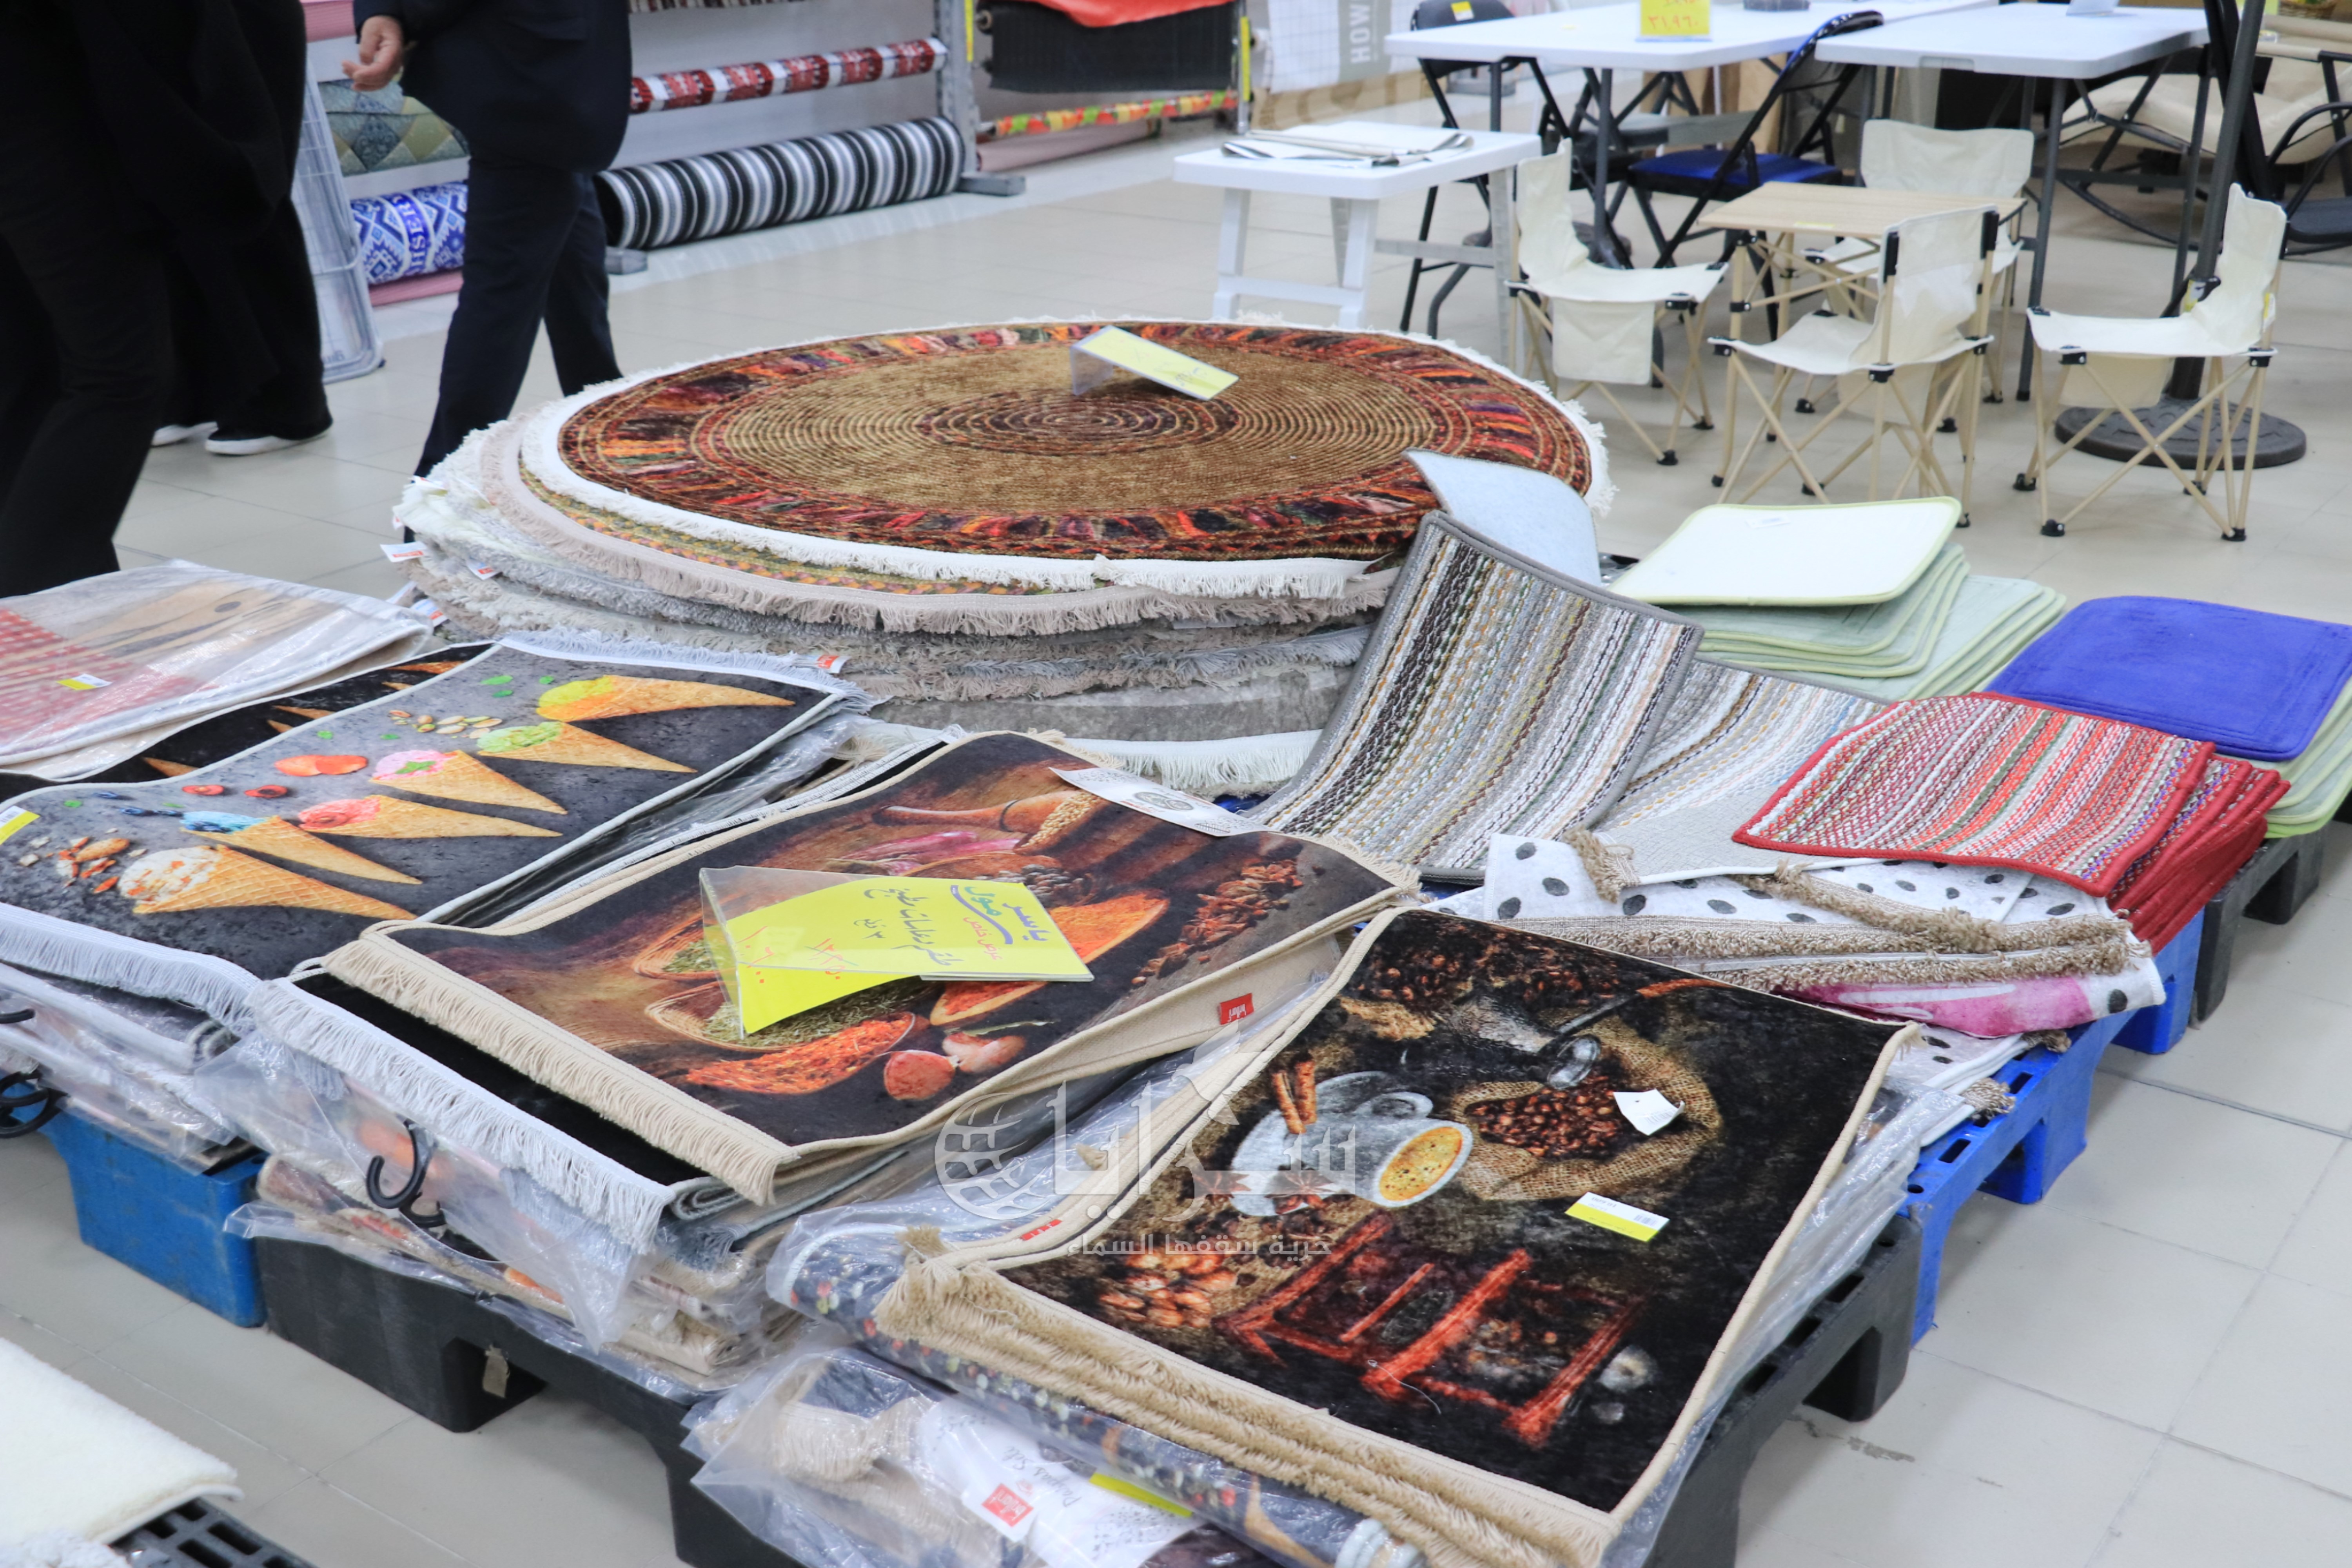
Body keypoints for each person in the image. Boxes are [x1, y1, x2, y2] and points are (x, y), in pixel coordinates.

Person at [0, 0, 292, 594]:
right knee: (118, 372)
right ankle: (28, 607)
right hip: (43, 96)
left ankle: (63, 606)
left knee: (31, 369)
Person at [345, 0, 630, 477]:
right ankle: (604, 426)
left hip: (530, 72)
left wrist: (396, 15)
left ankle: (445, 483)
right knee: (565, 252)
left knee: (503, 287)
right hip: (539, 60)